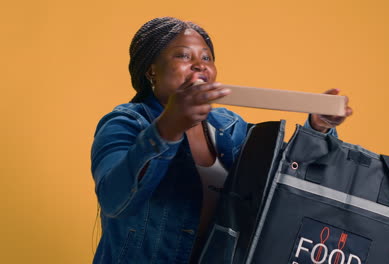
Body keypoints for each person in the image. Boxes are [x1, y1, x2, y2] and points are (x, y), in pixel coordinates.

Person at [91, 17, 353, 264]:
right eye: (184, 55)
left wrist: (318, 128)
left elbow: (285, 180)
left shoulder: (231, 127)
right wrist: (169, 126)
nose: (200, 64)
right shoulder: (125, 123)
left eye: (207, 57)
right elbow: (115, 200)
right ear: (151, 70)